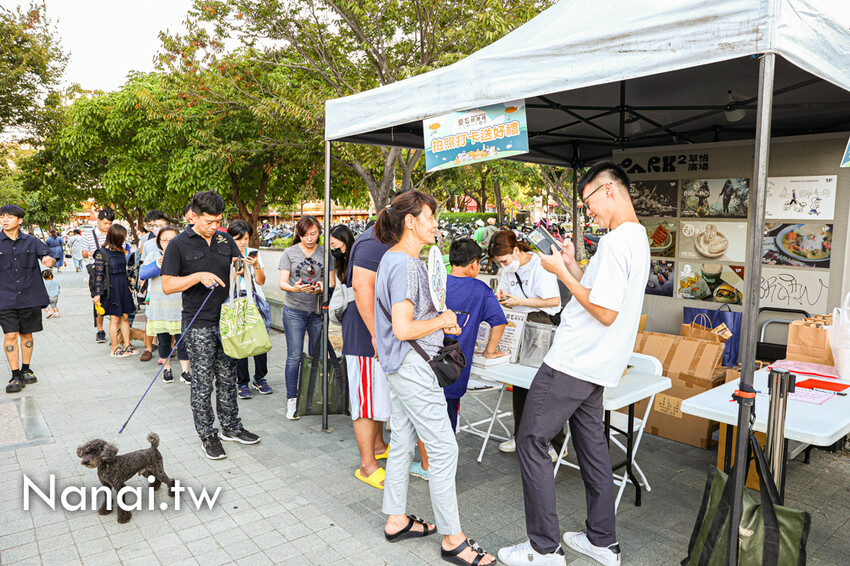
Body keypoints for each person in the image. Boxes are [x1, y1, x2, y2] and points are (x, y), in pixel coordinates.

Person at [497, 162, 649, 566]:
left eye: (588, 202)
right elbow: (600, 293)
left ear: (608, 190)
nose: (588, 211)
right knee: (592, 449)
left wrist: (561, 274)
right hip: (598, 364)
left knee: (530, 441)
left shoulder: (616, 243)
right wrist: (573, 265)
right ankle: (603, 541)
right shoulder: (635, 237)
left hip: (574, 359)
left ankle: (543, 548)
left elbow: (604, 312)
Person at [374, 190, 495, 566]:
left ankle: (396, 519)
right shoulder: (406, 264)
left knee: (403, 441)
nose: (435, 224)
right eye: (430, 217)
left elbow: (404, 323)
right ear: (410, 221)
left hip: (400, 365)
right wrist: (442, 319)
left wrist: (439, 321)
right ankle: (453, 540)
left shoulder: (394, 258)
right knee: (444, 449)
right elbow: (403, 327)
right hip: (413, 367)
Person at [162, 191, 260, 459]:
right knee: (203, 383)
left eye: (219, 221)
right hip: (198, 322)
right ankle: (207, 434)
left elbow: (236, 266)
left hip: (227, 319)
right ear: (193, 216)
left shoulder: (224, 238)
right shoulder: (178, 244)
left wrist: (243, 265)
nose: (215, 226)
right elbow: (167, 285)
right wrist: (198, 276)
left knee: (228, 378)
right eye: (209, 222)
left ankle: (231, 427)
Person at [488, 230, 560, 457]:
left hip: (540, 324)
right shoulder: (509, 268)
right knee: (519, 382)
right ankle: (520, 434)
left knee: (544, 385)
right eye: (499, 263)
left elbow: (554, 301)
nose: (503, 266)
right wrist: (503, 298)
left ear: (516, 250)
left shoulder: (540, 265)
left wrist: (520, 300)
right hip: (517, 323)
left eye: (504, 261)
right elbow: (507, 293)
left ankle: (555, 442)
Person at [340, 220, 392, 490]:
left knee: (376, 394)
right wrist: (374, 333)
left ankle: (378, 445)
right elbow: (361, 287)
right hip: (365, 334)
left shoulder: (381, 238)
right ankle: (367, 465)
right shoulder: (374, 241)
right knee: (365, 400)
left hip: (375, 331)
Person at [444, 238, 507, 431]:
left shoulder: (437, 284)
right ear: (473, 264)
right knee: (447, 424)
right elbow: (499, 322)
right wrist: (489, 351)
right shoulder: (481, 290)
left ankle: (424, 452)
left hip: (424, 363)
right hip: (455, 368)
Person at [278, 215, 335, 421]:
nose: (309, 239)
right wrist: (294, 288)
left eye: (313, 234)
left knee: (316, 355)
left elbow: (331, 282)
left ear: (319, 232)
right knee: (294, 356)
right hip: (294, 310)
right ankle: (292, 399)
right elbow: (282, 283)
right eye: (304, 235)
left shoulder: (326, 253)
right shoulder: (289, 253)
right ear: (298, 234)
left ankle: (312, 395)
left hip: (317, 311)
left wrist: (321, 287)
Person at [0, 205, 55, 393]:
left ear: (20, 220)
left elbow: (49, 256)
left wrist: (49, 261)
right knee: (10, 335)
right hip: (5, 298)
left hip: (29, 296)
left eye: (9, 217)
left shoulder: (32, 241)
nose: (5, 220)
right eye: (2, 216)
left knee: (26, 335)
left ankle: (26, 369)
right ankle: (15, 375)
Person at [227, 220, 272, 399]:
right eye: (238, 239)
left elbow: (261, 281)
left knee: (259, 340)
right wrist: (235, 273)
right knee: (241, 342)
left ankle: (260, 378)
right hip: (236, 302)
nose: (243, 242)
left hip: (254, 302)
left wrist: (256, 265)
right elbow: (226, 284)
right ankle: (242, 382)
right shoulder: (225, 255)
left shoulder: (254, 253)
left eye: (246, 238)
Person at [139, 225, 190, 384]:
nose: (168, 243)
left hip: (180, 306)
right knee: (163, 340)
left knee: (183, 341)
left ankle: (185, 371)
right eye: (164, 240)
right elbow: (143, 273)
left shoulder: (185, 255)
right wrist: (158, 264)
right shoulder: (154, 255)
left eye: (172, 239)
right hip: (160, 306)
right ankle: (166, 370)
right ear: (159, 242)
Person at [91, 224, 139, 358]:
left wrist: (129, 286)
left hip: (122, 286)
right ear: (116, 237)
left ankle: (127, 345)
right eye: (123, 237)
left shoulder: (120, 251)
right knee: (115, 318)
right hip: (111, 288)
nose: (125, 239)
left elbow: (124, 271)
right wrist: (97, 294)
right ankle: (114, 348)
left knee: (125, 316)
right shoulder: (101, 253)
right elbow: (98, 275)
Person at [138, 210, 171, 362]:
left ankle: (169, 349)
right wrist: (143, 288)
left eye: (160, 225)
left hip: (171, 290)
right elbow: (143, 267)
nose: (157, 228)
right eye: (155, 226)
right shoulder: (148, 243)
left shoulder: (176, 243)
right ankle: (148, 348)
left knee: (170, 321)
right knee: (151, 319)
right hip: (154, 288)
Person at [82, 209, 115, 344]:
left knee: (114, 299)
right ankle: (100, 330)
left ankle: (115, 329)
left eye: (110, 223)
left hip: (112, 270)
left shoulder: (114, 234)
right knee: (98, 300)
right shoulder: (89, 235)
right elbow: (83, 253)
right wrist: (90, 253)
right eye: (105, 223)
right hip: (97, 272)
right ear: (99, 221)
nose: (108, 226)